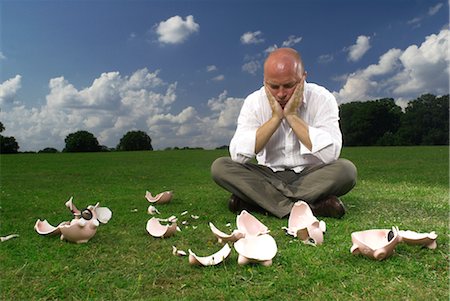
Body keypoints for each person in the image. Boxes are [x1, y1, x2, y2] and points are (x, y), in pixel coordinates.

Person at [211, 47, 357, 219]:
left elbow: (330, 155)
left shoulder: (323, 98)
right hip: (268, 174)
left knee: (346, 170)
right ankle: (312, 209)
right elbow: (238, 156)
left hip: (311, 176)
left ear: (303, 79)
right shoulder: (253, 102)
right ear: (265, 82)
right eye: (273, 86)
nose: (281, 94)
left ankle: (256, 201)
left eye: (289, 86)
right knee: (220, 167)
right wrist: (275, 119)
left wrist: (291, 116)